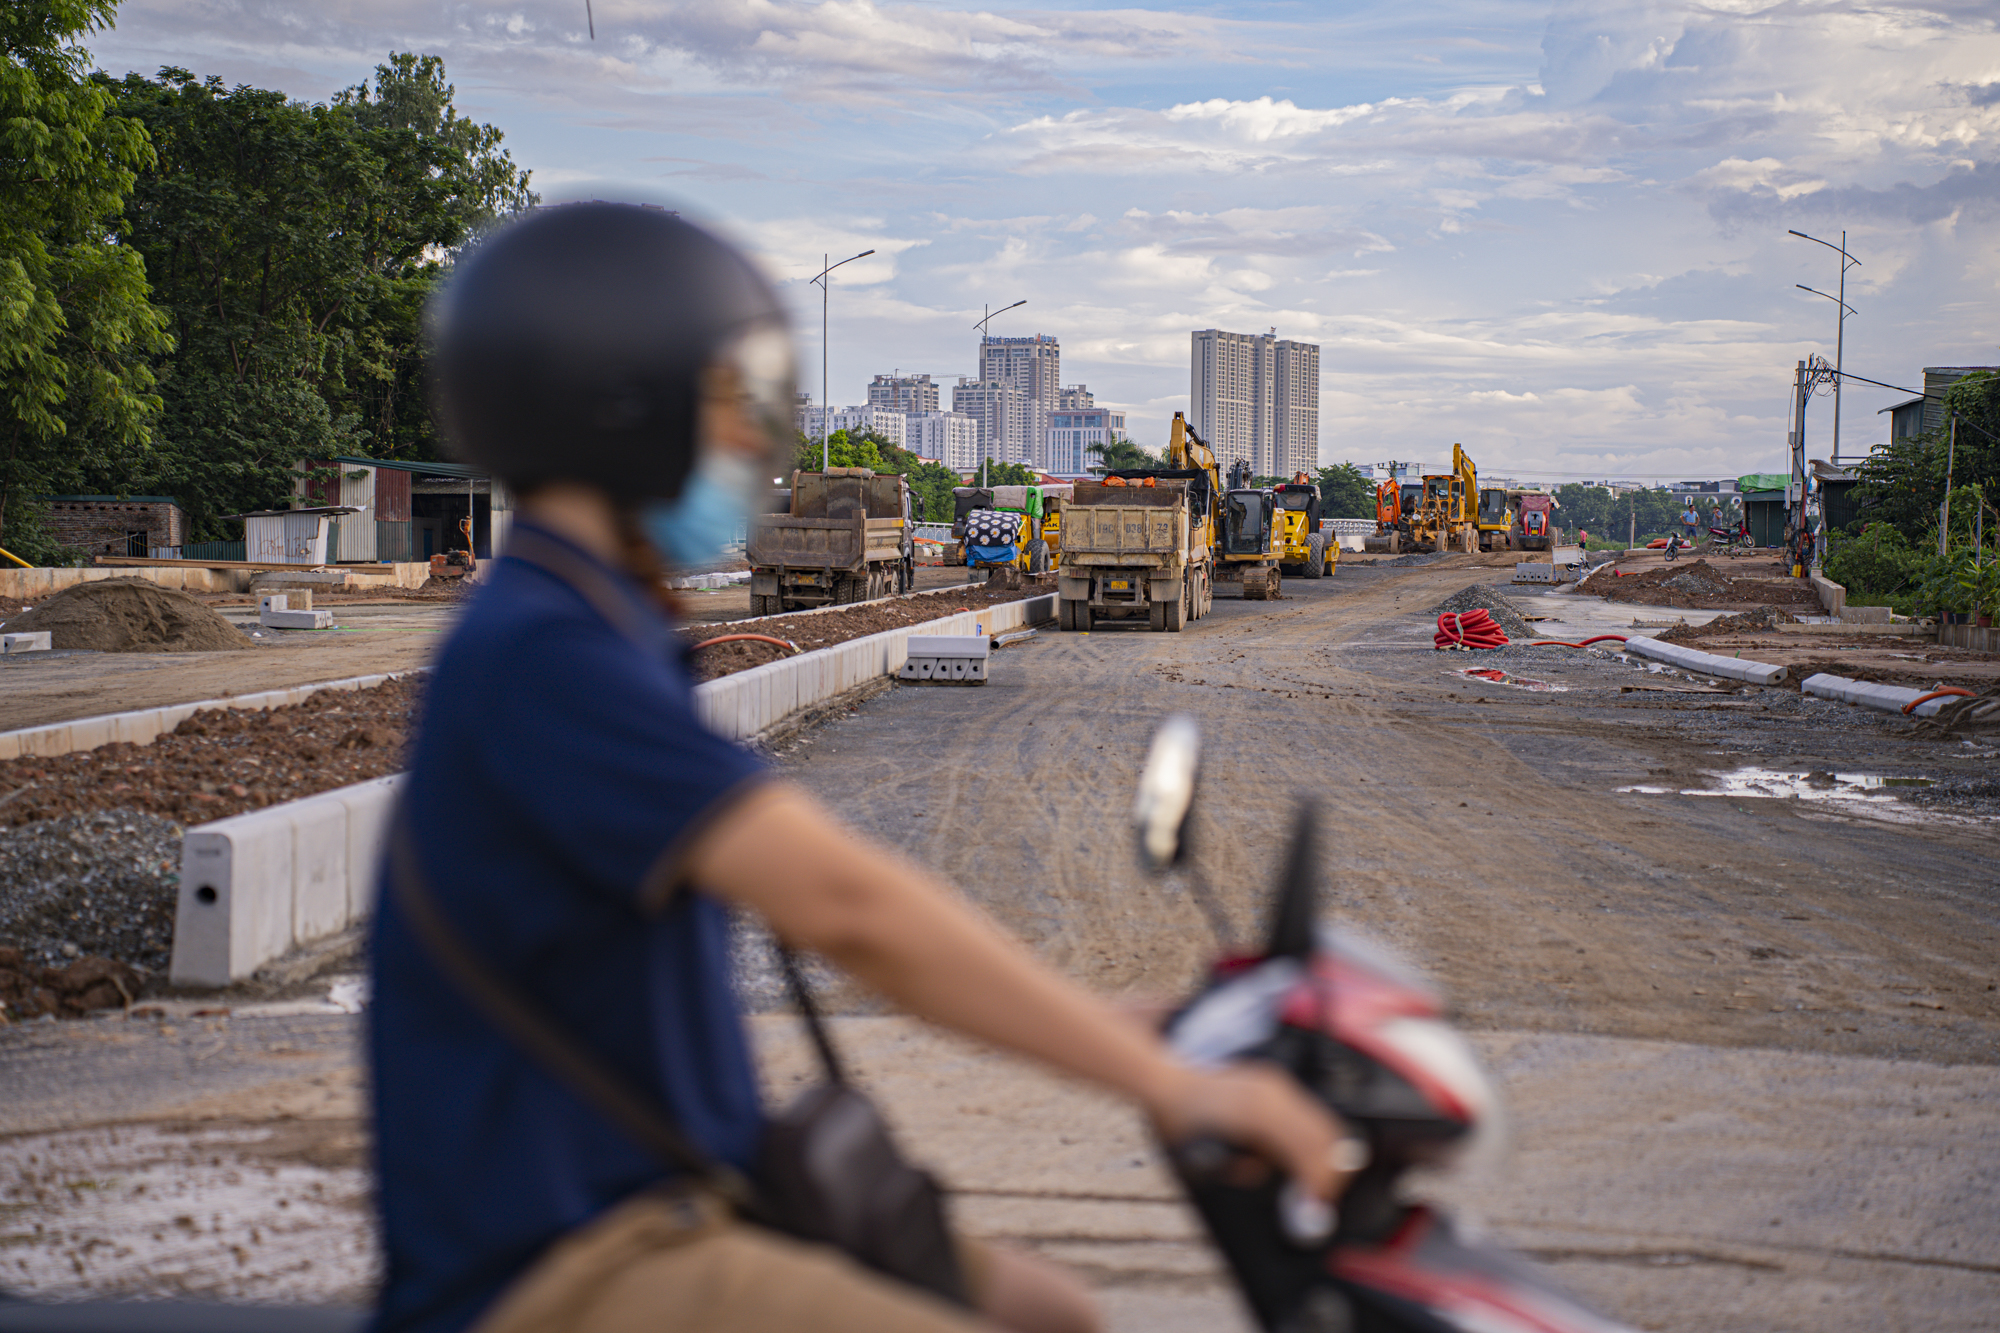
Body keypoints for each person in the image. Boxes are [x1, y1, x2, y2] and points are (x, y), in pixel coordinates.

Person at [368, 204, 1348, 1333]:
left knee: (1054, 1312)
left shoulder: (591, 624)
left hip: (679, 1197)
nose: (755, 446)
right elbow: (848, 905)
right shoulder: (548, 656)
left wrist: (1113, 1026)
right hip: (563, 1259)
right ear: (620, 409)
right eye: (730, 406)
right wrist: (1175, 1086)